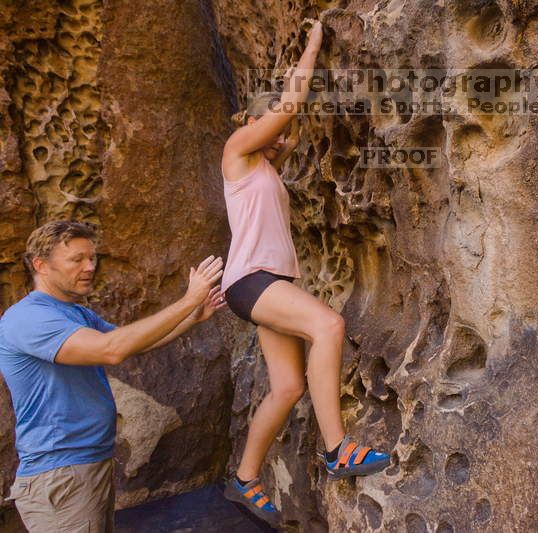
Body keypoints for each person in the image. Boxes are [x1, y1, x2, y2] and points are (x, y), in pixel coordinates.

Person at [220, 19, 390, 525]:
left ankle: (244, 479)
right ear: (254, 123)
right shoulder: (236, 151)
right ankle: (338, 448)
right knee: (328, 325)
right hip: (252, 280)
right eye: (272, 123)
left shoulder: (263, 167)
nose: (282, 132)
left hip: (269, 283)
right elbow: (287, 107)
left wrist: (287, 141)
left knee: (287, 387)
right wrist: (313, 45)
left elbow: (286, 130)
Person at [0, 220, 226, 532]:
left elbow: (132, 343)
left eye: (92, 258)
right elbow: (112, 350)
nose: (89, 266)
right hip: (61, 474)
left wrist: (192, 317)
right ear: (41, 265)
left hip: (86, 465)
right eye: (77, 259)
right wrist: (188, 299)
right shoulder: (29, 317)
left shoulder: (75, 313)